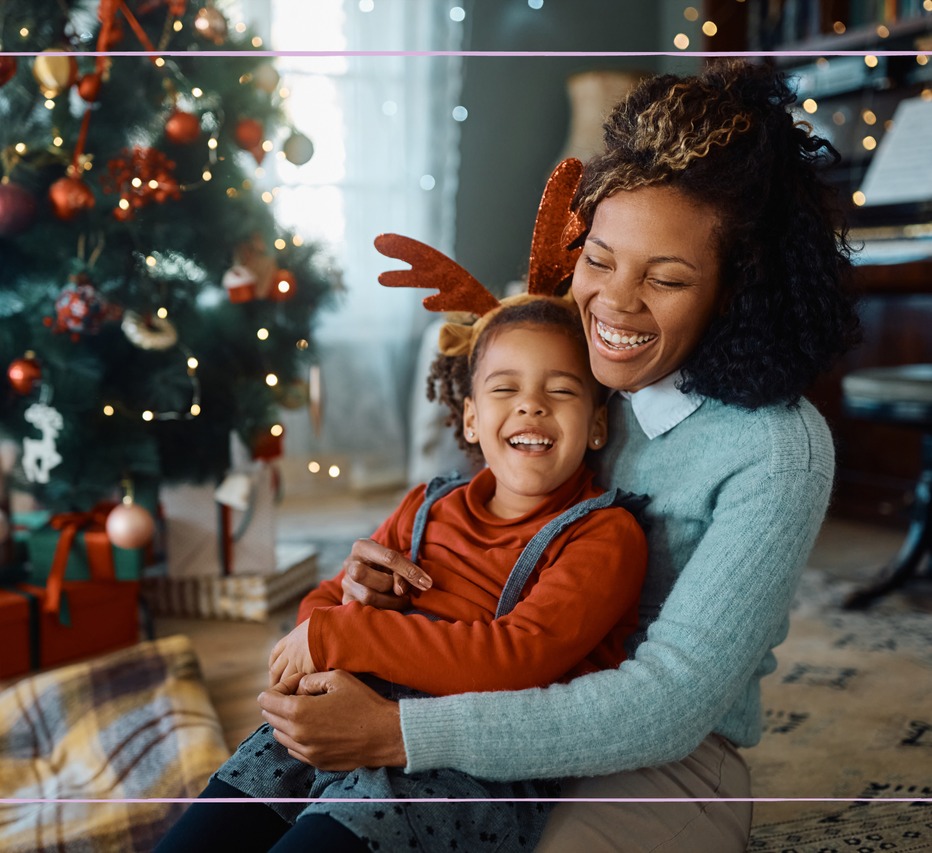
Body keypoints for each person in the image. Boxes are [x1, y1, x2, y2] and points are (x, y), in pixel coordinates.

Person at [255, 59, 859, 852]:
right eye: (600, 259)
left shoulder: (778, 451)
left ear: (736, 288)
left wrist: (397, 733)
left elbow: (665, 705)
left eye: (667, 278)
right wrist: (380, 592)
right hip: (478, 699)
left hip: (656, 756)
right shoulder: (561, 374)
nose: (614, 302)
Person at [155, 288, 650, 853]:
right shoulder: (426, 505)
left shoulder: (604, 534)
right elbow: (324, 605)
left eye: (560, 390)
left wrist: (345, 632)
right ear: (470, 418)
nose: (530, 406)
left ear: (597, 426)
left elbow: (517, 658)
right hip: (335, 718)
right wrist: (339, 619)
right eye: (504, 388)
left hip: (458, 768)